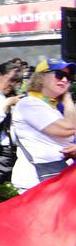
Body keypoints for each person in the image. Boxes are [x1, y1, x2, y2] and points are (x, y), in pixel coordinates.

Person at [11, 59, 76, 192]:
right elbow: (68, 129)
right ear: (41, 78)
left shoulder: (55, 106)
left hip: (59, 177)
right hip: (36, 182)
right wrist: (68, 100)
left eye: (69, 77)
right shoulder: (29, 103)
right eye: (59, 75)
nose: (64, 80)